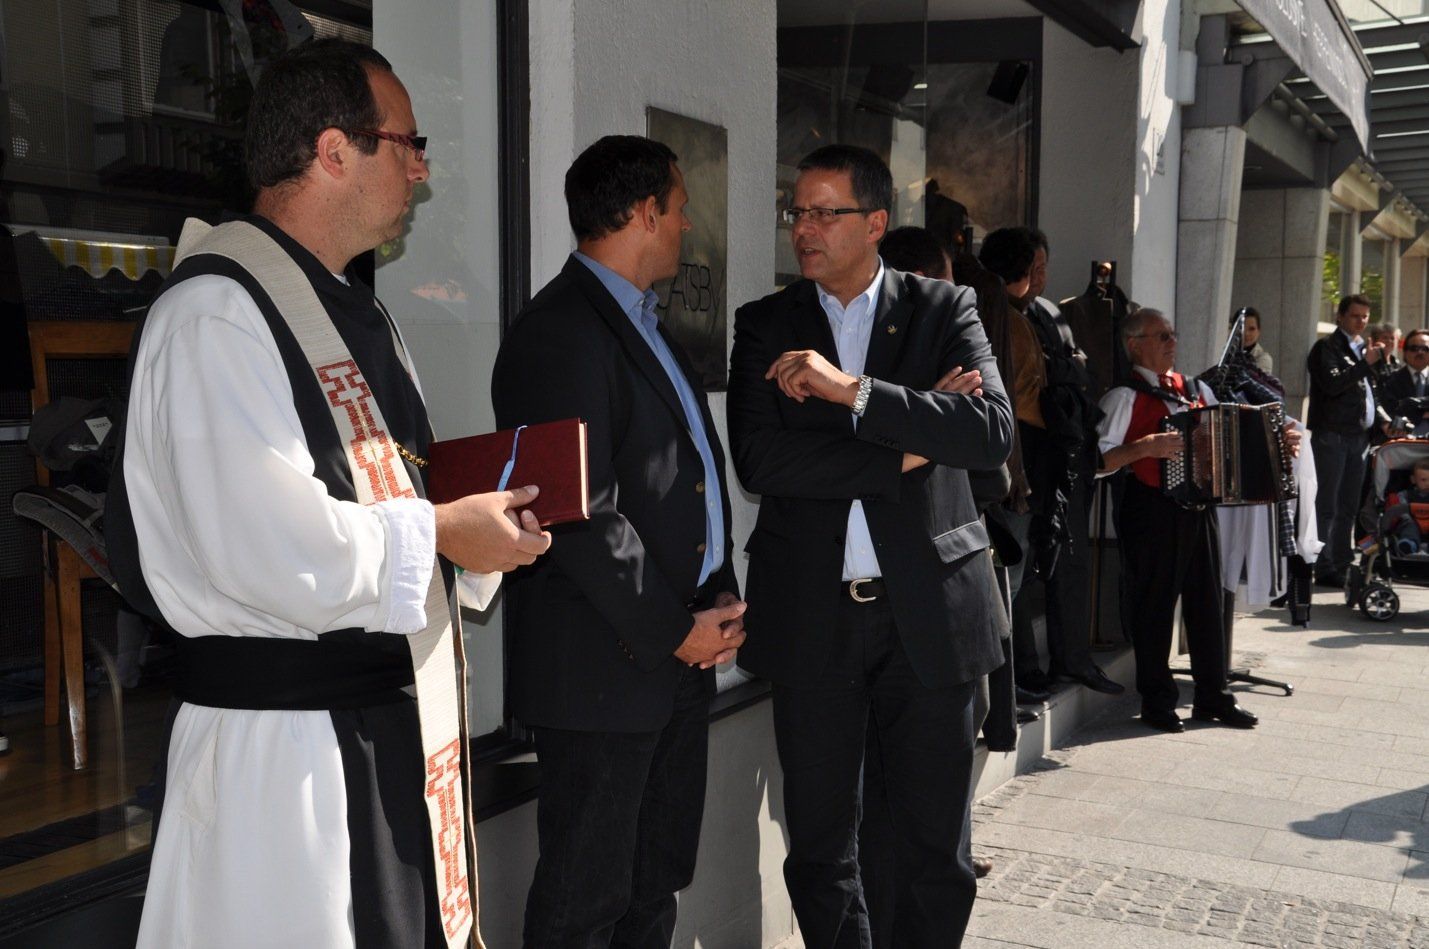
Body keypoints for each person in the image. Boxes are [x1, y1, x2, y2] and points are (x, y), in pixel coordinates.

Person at [110, 39, 552, 948]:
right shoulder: (216, 312)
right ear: (333, 150)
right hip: (283, 754)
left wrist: (479, 523)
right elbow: (261, 546)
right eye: (408, 141)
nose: (421, 168)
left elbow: (397, 482)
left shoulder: (357, 310)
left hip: (381, 729)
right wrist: (441, 533)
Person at [729, 144, 1014, 948]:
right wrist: (911, 443)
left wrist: (848, 391)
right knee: (821, 842)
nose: (804, 228)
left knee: (930, 844)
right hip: (812, 614)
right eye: (797, 211)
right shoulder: (765, 324)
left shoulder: (942, 309)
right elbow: (763, 461)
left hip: (928, 611)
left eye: (826, 212)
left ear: (875, 222)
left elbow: (989, 432)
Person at [491, 135, 745, 948]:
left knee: (652, 884)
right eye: (679, 206)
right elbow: (577, 515)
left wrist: (717, 591)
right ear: (645, 212)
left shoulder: (644, 323)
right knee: (584, 901)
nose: (687, 223)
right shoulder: (558, 331)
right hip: (603, 669)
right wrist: (675, 629)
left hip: (674, 654)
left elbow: (684, 476)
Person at [1096, 308, 1267, 734]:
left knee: (1208, 605)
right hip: (1150, 509)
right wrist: (1145, 448)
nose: (1173, 342)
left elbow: (1231, 437)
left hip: (1199, 509)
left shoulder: (1195, 389)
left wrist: (1276, 442)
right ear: (1135, 344)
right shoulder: (1123, 397)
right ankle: (1157, 702)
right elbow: (1097, 462)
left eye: (1173, 334)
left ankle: (1213, 697)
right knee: (1154, 608)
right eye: (1162, 336)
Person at [1013, 230, 1122, 696]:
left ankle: (1073, 659)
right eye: (1033, 269)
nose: (1040, 277)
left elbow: (1081, 370)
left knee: (1071, 559)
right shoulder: (997, 315)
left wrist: (1065, 369)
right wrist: (1064, 369)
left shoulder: (1050, 311)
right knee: (1019, 568)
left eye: (1044, 268)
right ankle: (1023, 669)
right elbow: (1038, 378)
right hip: (1023, 457)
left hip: (1066, 451)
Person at [1306, 294, 1392, 587]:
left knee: (1349, 506)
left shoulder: (1363, 348)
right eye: (1355, 315)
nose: (1361, 321)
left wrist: (1383, 419)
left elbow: (1371, 393)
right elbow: (1332, 385)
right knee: (1327, 504)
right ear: (1340, 316)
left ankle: (1342, 563)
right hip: (1332, 434)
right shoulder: (1326, 348)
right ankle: (1323, 565)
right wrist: (1365, 363)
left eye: (1365, 316)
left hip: (1359, 437)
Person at [1380, 328, 1429, 435]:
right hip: (1402, 440)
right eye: (1414, 348)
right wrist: (1423, 412)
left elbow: (1405, 407)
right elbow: (1391, 409)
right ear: (1405, 352)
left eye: (1425, 349)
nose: (1420, 352)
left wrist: (1410, 405)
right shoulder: (1391, 379)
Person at [1386, 459, 1429, 555]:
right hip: (1411, 521)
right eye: (1423, 480)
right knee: (1408, 526)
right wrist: (1406, 517)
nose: (1428, 483)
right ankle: (1409, 544)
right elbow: (1400, 509)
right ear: (1413, 479)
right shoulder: (1405, 495)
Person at [1233, 306, 1273, 373]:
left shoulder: (1263, 359)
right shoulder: (1225, 354)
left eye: (1252, 329)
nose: (1246, 334)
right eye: (1241, 328)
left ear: (1258, 331)